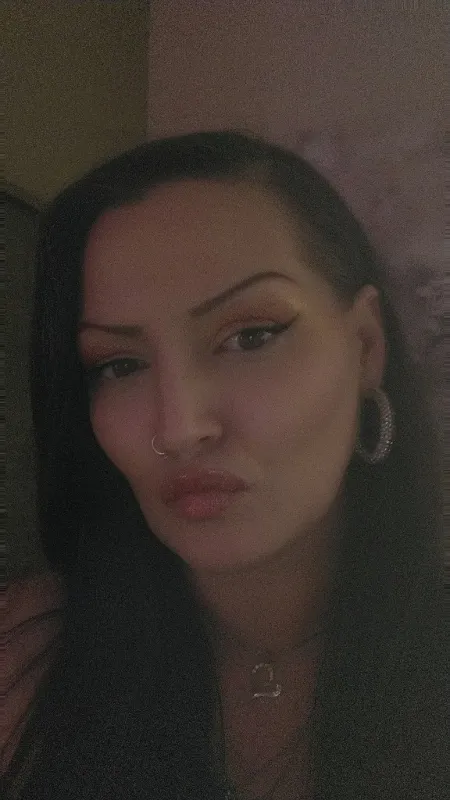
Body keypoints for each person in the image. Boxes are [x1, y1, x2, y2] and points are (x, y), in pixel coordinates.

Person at [2, 131, 446, 800]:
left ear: (365, 345)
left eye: (251, 336)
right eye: (119, 365)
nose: (180, 428)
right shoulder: (27, 667)